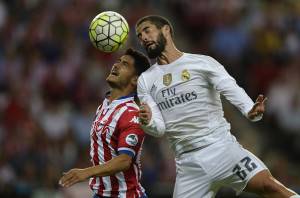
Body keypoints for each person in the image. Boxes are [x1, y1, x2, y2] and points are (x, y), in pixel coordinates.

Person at [135, 15, 300, 198]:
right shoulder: (145, 80)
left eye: (147, 30)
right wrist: (147, 121)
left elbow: (230, 87)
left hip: (222, 150)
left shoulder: (202, 63)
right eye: (139, 36)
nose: (143, 37)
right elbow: (158, 129)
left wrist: (250, 110)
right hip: (188, 166)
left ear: (166, 29)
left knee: (271, 187)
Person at [59, 48, 150, 198]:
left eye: (125, 64)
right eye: (118, 61)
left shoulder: (131, 113)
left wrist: (85, 172)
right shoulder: (104, 106)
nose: (116, 65)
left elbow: (124, 161)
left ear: (135, 79)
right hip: (101, 194)